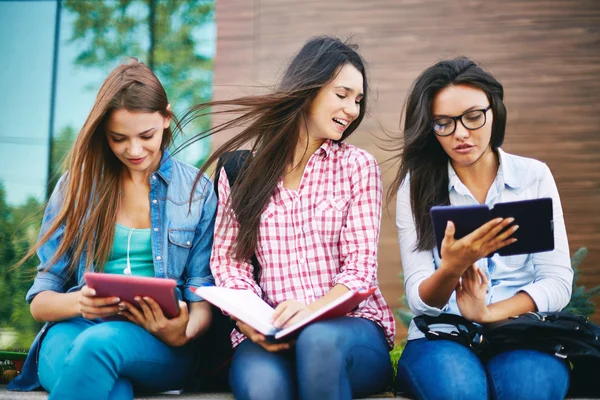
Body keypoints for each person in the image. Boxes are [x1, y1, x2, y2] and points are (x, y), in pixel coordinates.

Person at [184, 36, 396, 400]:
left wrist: (310, 313)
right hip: (269, 333)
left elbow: (359, 271)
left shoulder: (358, 168)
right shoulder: (241, 171)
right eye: (342, 94)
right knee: (263, 388)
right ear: (307, 90)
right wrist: (248, 320)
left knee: (317, 341)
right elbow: (229, 262)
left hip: (351, 331)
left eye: (358, 100)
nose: (352, 109)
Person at [8, 59, 218, 399]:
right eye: (118, 138)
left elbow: (202, 292)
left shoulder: (196, 190)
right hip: (74, 329)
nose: (134, 150)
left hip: (158, 343)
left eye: (146, 136)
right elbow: (40, 302)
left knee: (99, 346)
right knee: (113, 389)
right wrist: (80, 304)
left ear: (166, 118)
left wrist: (182, 331)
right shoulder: (76, 187)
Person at [390, 57, 573, 400]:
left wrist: (489, 313)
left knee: (528, 389)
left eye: (473, 117)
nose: (460, 133)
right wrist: (452, 267)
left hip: (520, 332)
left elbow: (558, 282)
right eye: (443, 123)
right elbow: (421, 300)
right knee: (459, 392)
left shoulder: (533, 177)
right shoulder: (416, 187)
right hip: (441, 336)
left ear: (494, 111)